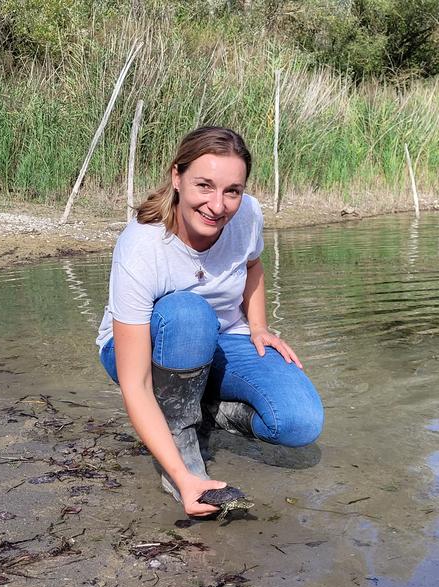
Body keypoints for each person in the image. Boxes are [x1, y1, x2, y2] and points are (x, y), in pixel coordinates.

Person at [96, 126, 324, 517]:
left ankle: (207, 408)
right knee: (189, 312)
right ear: (177, 178)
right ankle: (180, 434)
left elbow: (253, 265)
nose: (218, 206)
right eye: (205, 186)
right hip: (145, 347)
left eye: (231, 191)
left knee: (299, 423)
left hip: (221, 340)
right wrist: (183, 479)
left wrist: (258, 326)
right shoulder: (142, 247)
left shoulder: (248, 214)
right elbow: (135, 384)